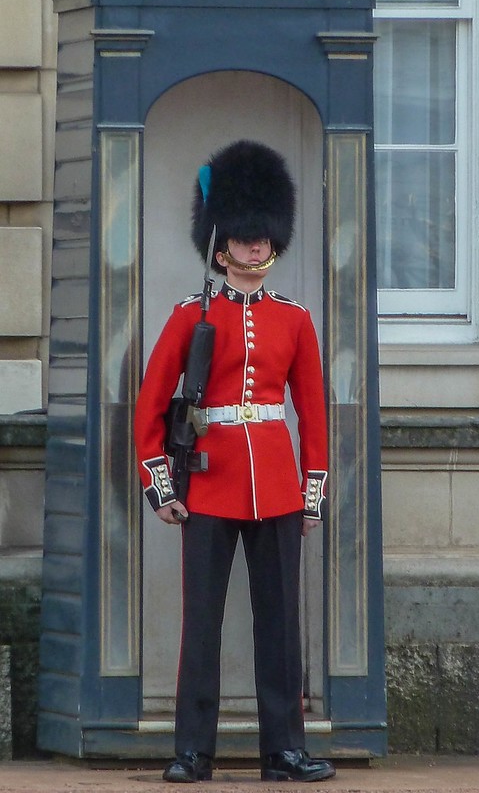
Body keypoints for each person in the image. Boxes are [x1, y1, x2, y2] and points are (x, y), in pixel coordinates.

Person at [134, 141, 335, 784]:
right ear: (220, 245)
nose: (255, 249)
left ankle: (284, 750)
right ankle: (194, 749)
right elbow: (150, 404)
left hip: (275, 485)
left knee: (280, 628)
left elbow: (312, 411)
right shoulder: (190, 316)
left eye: (262, 238)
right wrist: (160, 482)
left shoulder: (295, 321)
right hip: (210, 484)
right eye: (244, 239)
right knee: (203, 627)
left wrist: (312, 492)